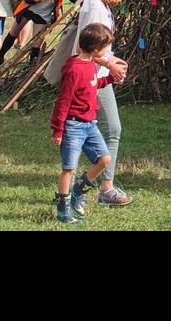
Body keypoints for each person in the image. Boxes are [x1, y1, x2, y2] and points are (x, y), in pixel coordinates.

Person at [73, 0, 131, 205]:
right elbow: (86, 47)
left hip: (96, 75)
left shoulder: (98, 4)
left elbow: (98, 46)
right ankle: (101, 187)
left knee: (105, 130)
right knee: (106, 130)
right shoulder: (96, 7)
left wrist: (112, 60)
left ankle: (94, 183)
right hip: (90, 77)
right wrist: (109, 65)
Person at [50, 23, 115, 223]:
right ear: (96, 49)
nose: (107, 50)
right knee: (69, 168)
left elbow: (91, 86)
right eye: (106, 47)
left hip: (90, 124)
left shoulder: (90, 64)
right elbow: (63, 101)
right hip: (73, 125)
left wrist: (110, 79)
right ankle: (63, 210)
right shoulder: (75, 69)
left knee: (104, 159)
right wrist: (58, 129)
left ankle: (78, 191)